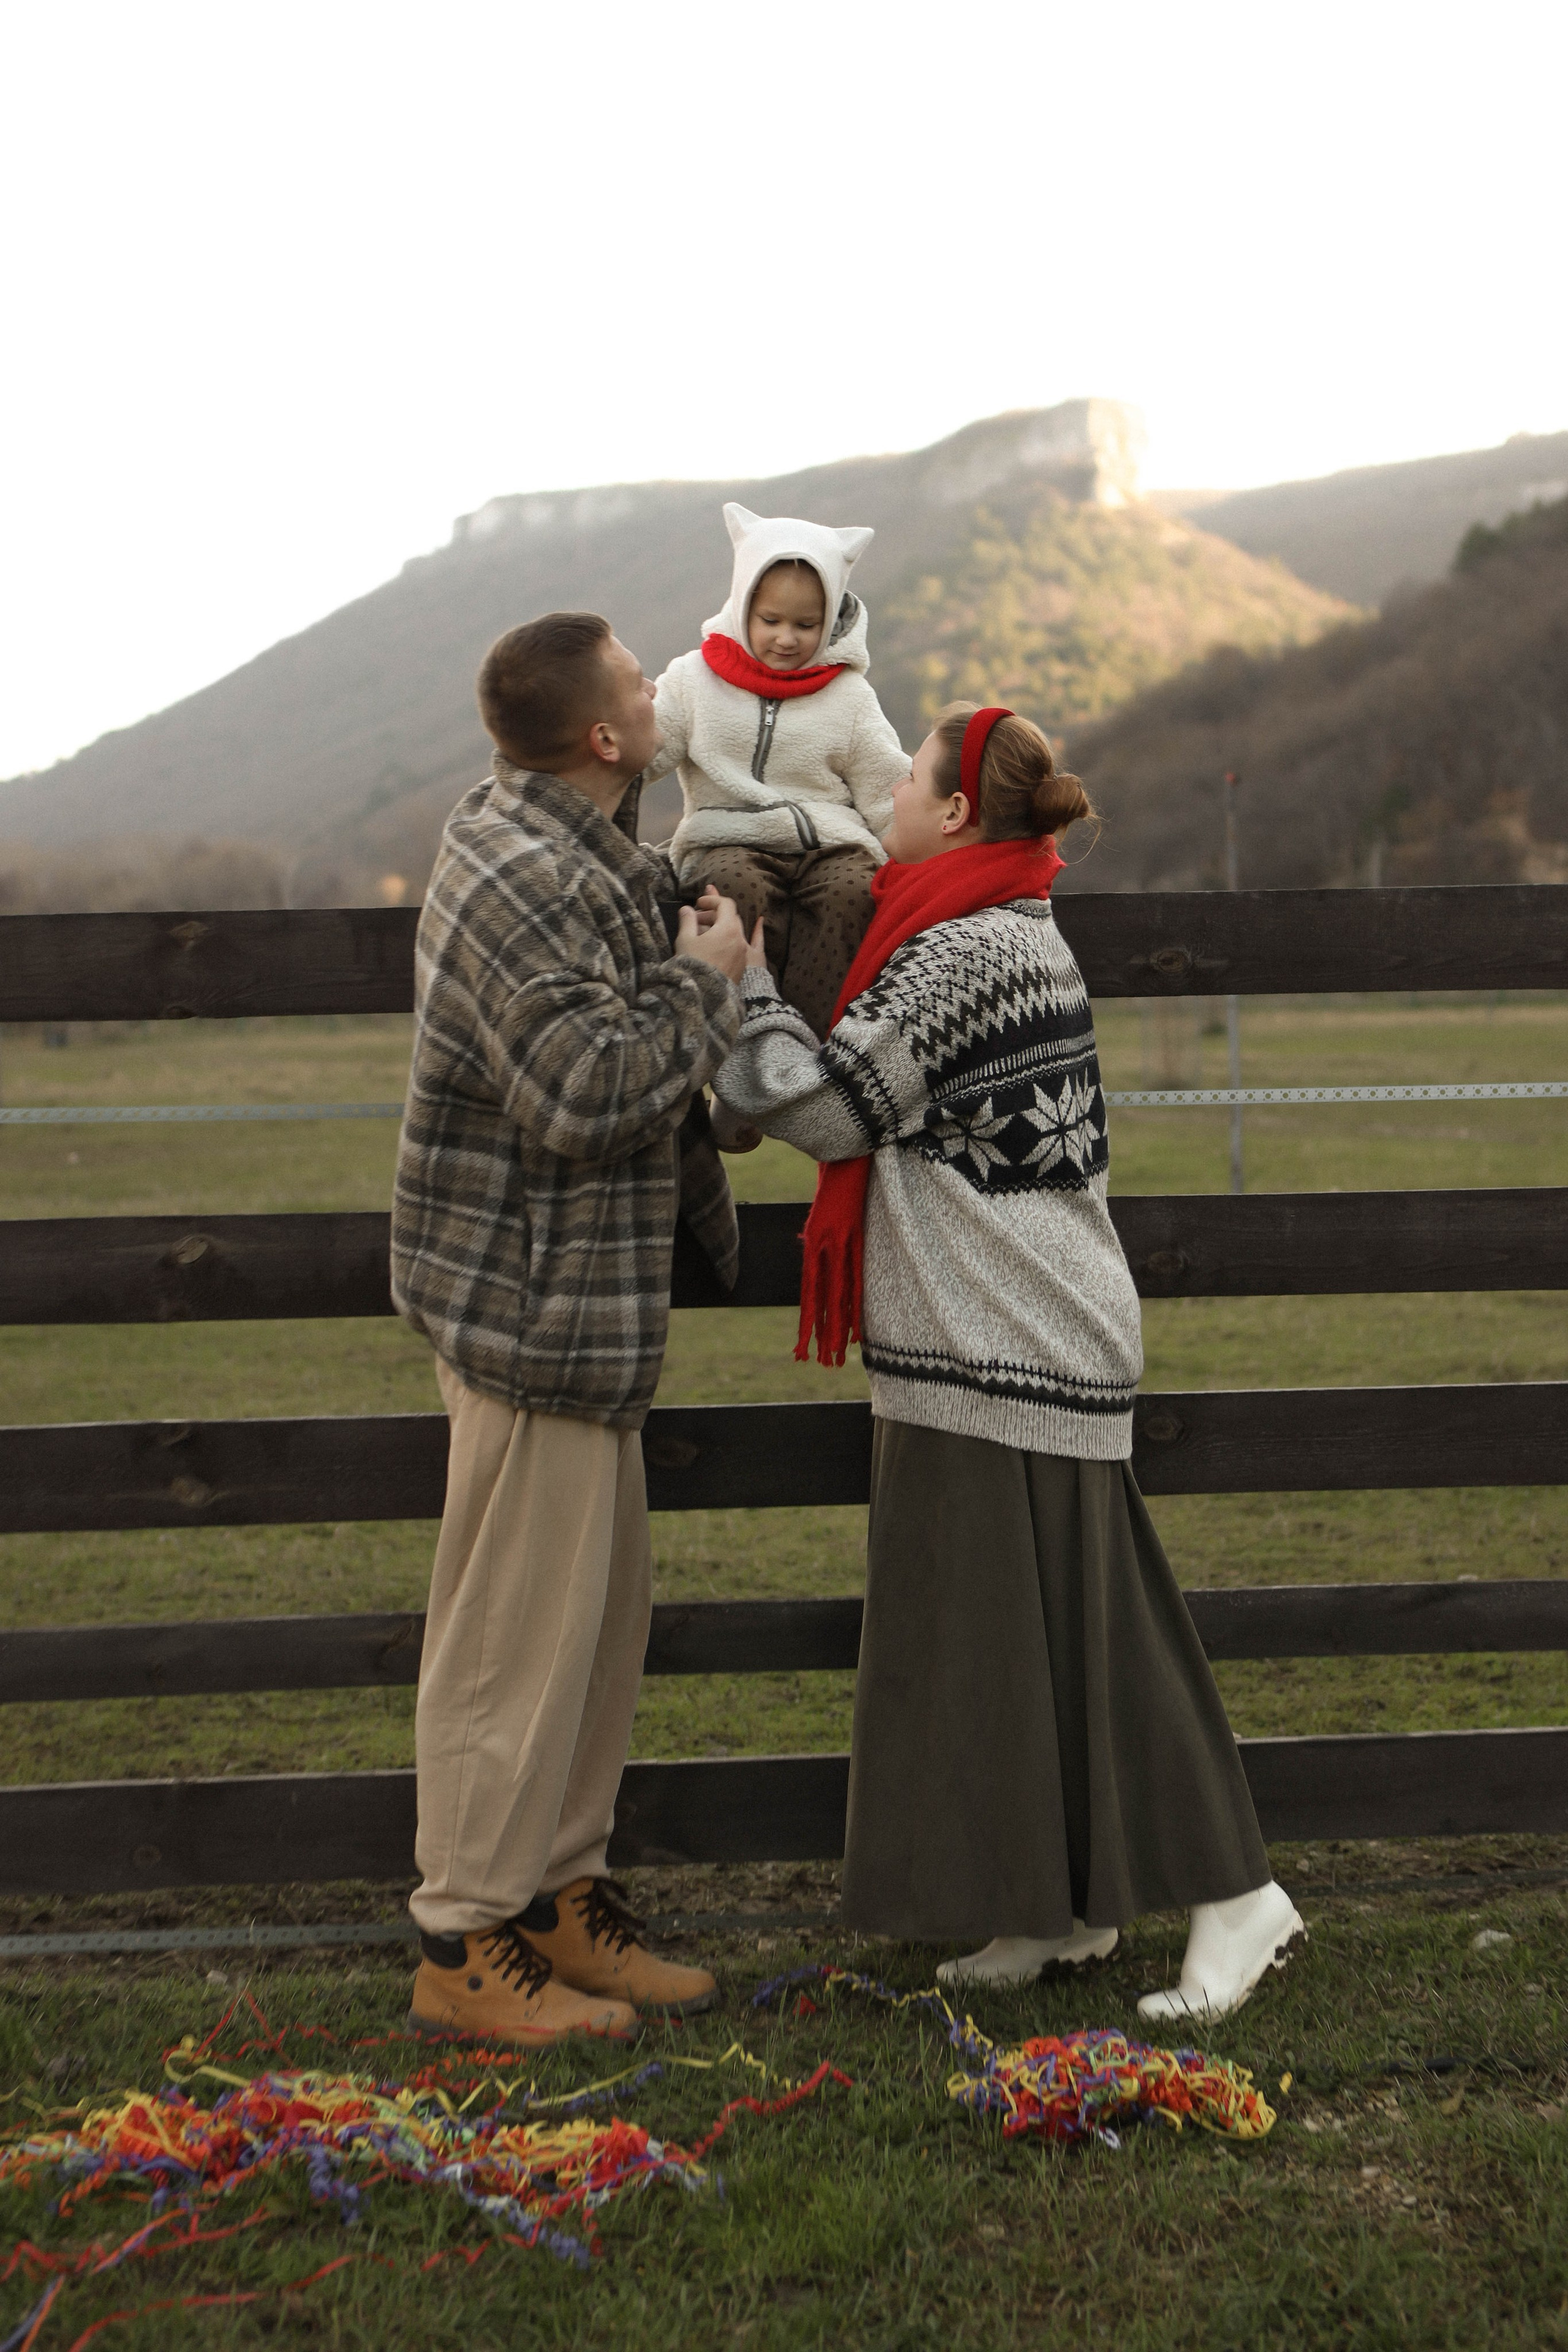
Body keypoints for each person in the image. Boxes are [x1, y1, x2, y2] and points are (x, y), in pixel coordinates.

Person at [714, 701, 1305, 2020]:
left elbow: (824, 1109)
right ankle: (1052, 1909)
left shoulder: (965, 952)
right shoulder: (992, 923)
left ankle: (1238, 1894)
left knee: (1102, 1638)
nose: (886, 799)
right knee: (995, 1637)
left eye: (907, 782)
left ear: (953, 812)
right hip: (992, 1331)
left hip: (1011, 1338)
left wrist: (743, 982)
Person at [390, 611, 749, 2045]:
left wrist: (691, 927)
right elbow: (584, 1088)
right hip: (529, 1307)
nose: (660, 685)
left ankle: (554, 1901)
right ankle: (461, 1940)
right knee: (510, 1643)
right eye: (638, 678)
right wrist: (703, 983)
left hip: (582, 1311)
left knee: (590, 1632)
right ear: (604, 735)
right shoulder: (518, 874)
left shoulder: (582, 853)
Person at [644, 503, 909, 1141]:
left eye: (806, 624)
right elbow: (647, 749)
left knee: (854, 893)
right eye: (770, 620)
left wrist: (921, 855)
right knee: (734, 896)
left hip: (831, 843)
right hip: (727, 837)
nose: (787, 638)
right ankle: (736, 1082)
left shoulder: (849, 696)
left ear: (832, 617)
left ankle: (805, 1077)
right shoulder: (693, 679)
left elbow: (884, 786)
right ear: (742, 605)